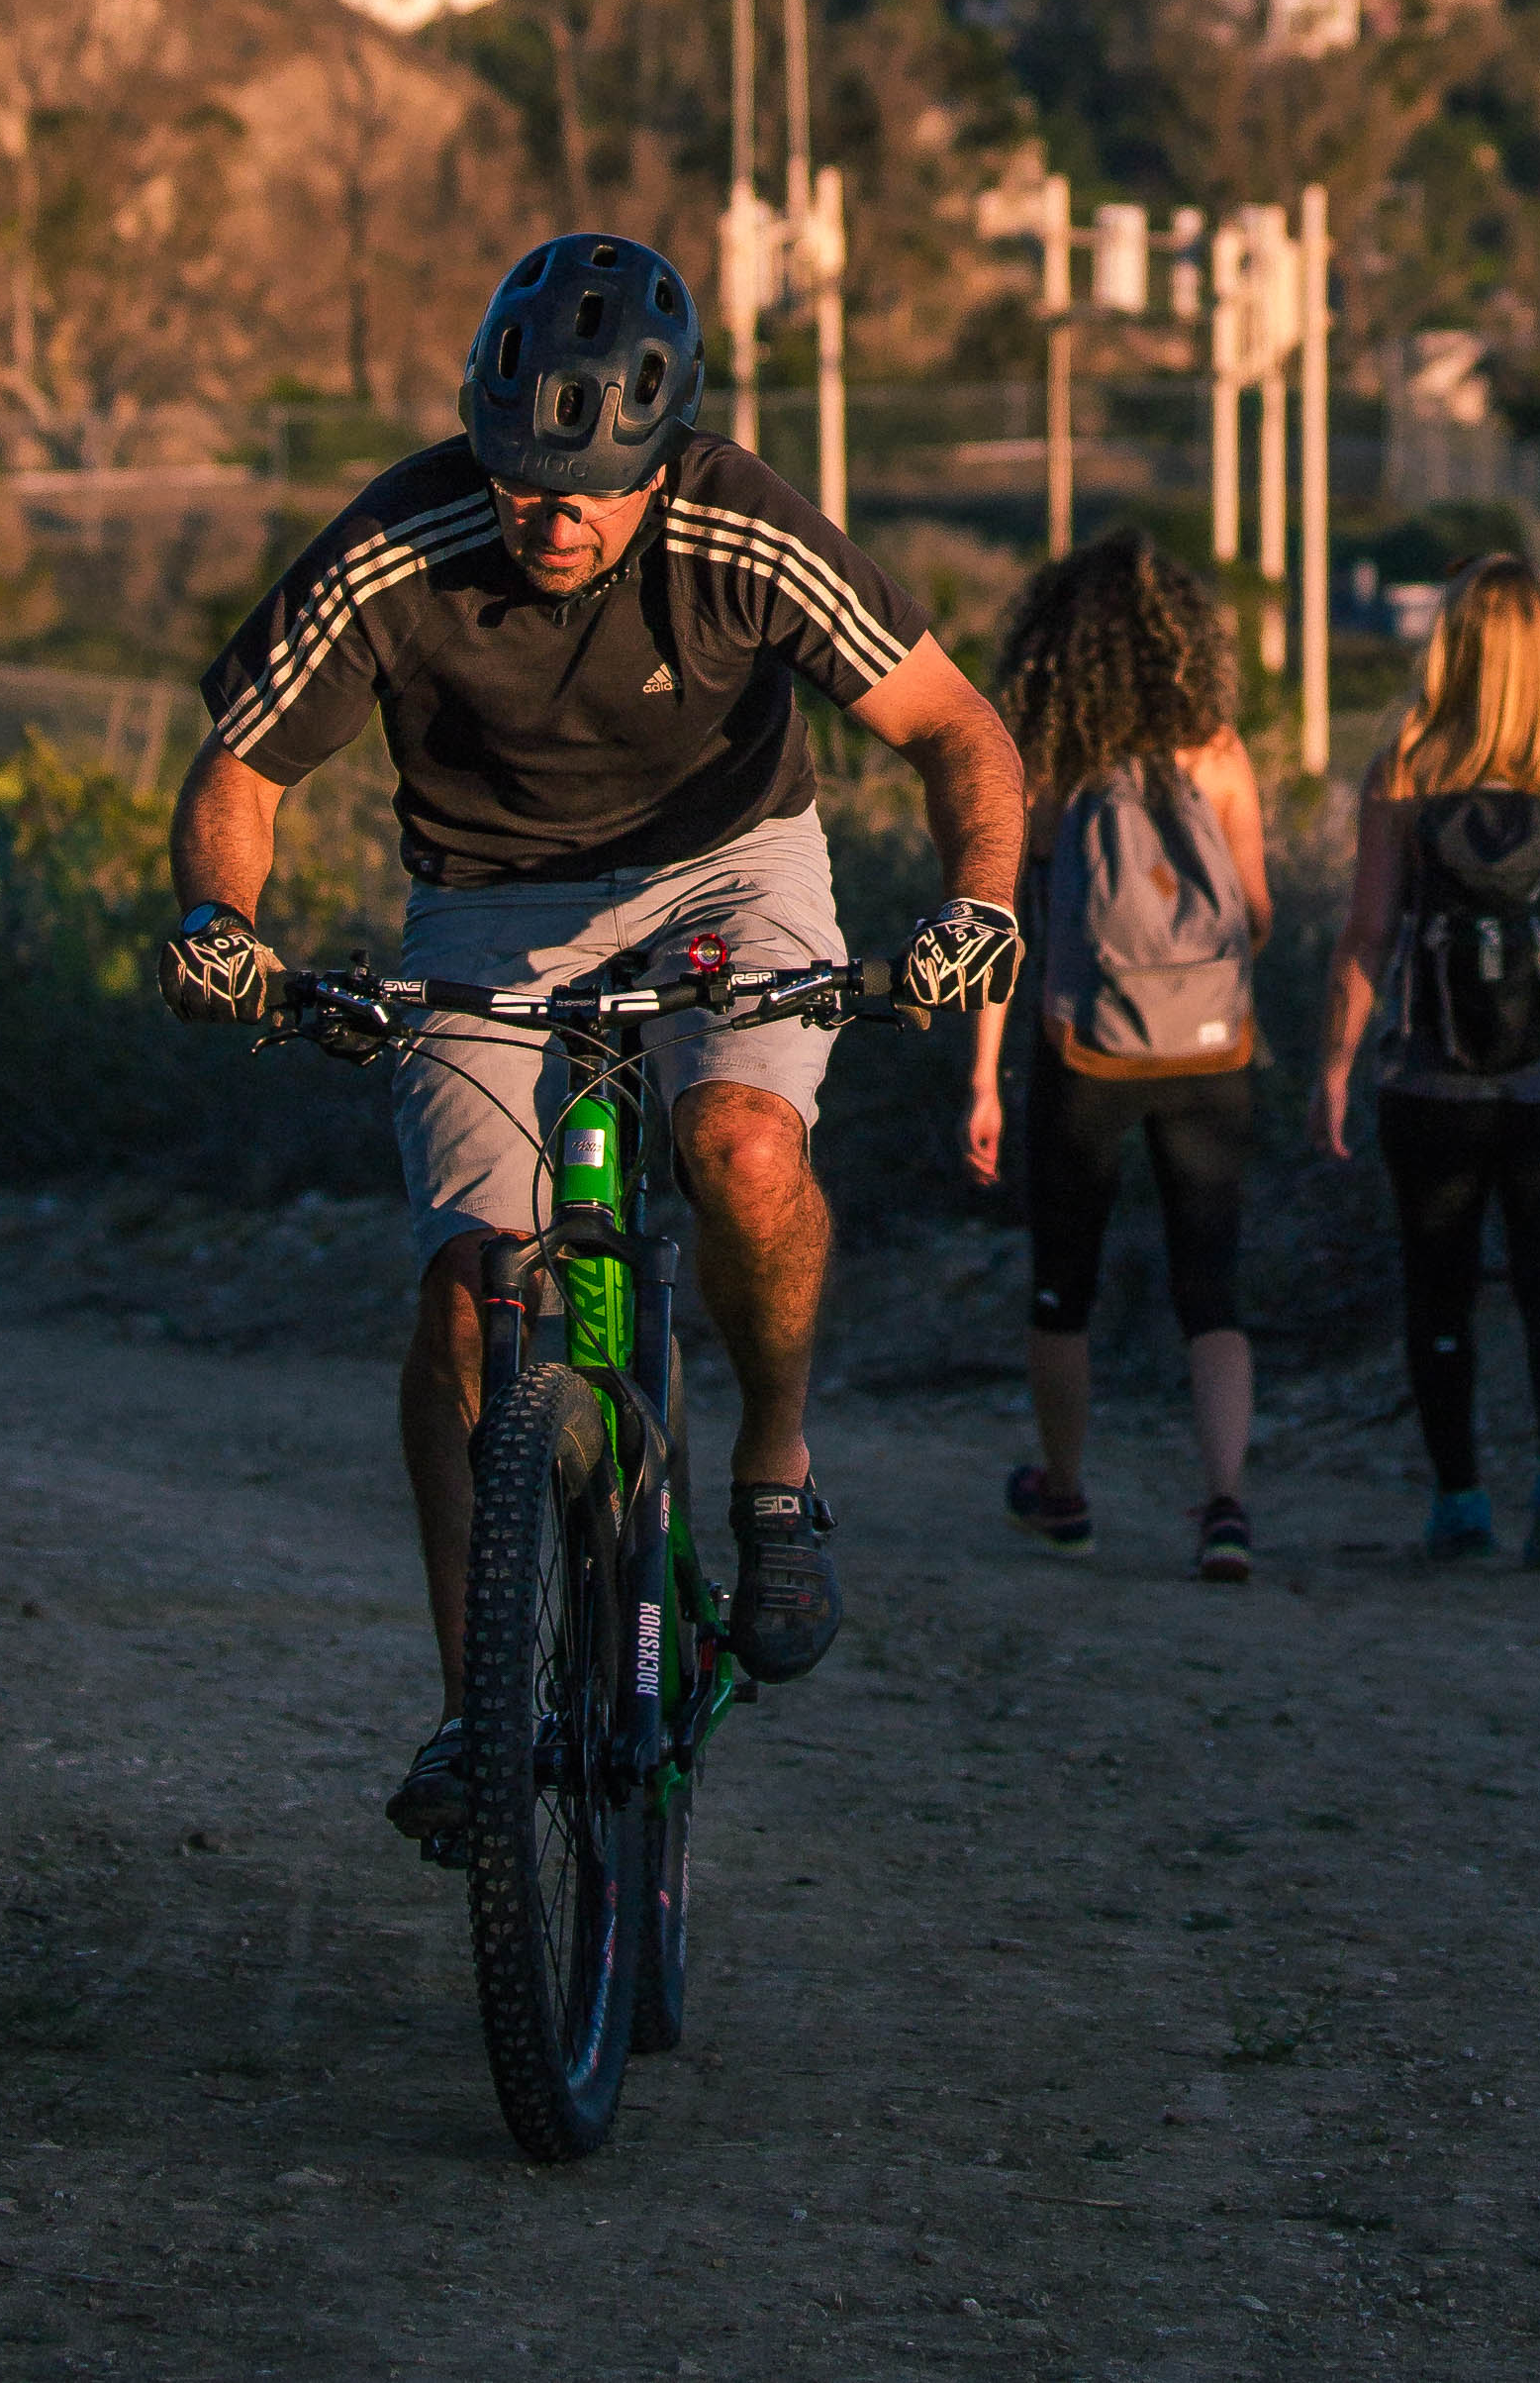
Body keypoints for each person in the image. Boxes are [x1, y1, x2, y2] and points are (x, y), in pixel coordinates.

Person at [156, 233, 1023, 1845]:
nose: (551, 518)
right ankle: (476, 1713)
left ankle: (770, 1468)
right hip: (489, 903)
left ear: (661, 454)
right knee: (469, 1293)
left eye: (592, 488)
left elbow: (956, 728)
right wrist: (222, 923)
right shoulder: (397, 543)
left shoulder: (742, 525)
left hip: (726, 867)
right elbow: (241, 776)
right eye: (521, 480)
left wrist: (978, 905)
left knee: (742, 1147)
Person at [1309, 553, 1540, 1568]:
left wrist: (1332, 1063)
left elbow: (1366, 935)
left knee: (1439, 1287)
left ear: (1449, 649)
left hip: (1431, 1079)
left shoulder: (1404, 771)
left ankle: (1459, 1499)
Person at [962, 532, 1272, 1583]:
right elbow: (1258, 913)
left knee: (1065, 1283)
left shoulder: (1049, 760)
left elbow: (1002, 928)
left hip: (1084, 1051)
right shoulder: (1219, 751)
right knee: (1211, 1285)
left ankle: (1063, 1493)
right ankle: (1225, 1506)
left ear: (1058, 645)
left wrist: (981, 1082)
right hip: (1212, 1048)